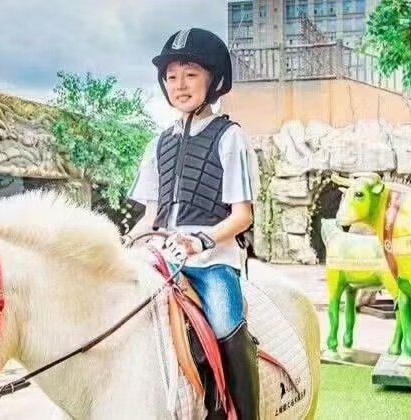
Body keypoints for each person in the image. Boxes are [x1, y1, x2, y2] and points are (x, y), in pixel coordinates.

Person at [123, 28, 261, 419]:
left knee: (227, 325)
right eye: (171, 77)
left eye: (190, 75)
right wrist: (125, 241)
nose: (179, 85)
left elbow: (242, 215)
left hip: (211, 262)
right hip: (160, 256)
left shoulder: (230, 137)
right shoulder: (157, 144)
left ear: (213, 79)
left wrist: (200, 241)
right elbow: (150, 217)